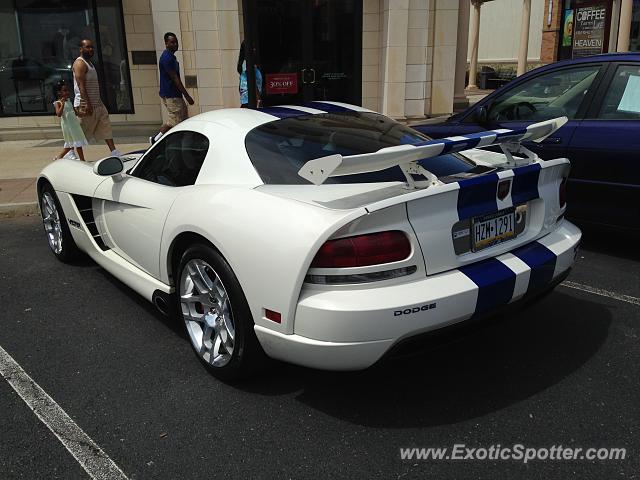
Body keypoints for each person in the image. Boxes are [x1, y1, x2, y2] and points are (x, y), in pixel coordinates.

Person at [72, 38, 120, 156]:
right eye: (87, 47)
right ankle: (70, 153)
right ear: (81, 49)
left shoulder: (90, 63)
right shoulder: (80, 63)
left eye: (92, 47)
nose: (91, 49)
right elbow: (81, 85)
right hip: (84, 104)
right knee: (80, 132)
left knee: (105, 126)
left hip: (97, 103)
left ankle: (114, 152)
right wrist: (87, 103)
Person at [149, 32, 194, 144]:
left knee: (183, 118)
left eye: (176, 42)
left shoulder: (171, 57)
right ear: (166, 43)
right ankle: (156, 139)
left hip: (174, 94)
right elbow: (174, 78)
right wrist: (187, 95)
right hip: (171, 94)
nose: (175, 44)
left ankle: (181, 140)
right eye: (172, 42)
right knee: (174, 121)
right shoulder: (167, 58)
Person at [53, 80, 87, 161]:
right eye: (64, 90)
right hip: (68, 126)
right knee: (75, 143)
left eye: (67, 90)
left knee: (71, 144)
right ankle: (82, 160)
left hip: (74, 125)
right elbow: (58, 114)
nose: (67, 92)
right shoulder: (57, 103)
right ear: (59, 93)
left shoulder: (69, 101)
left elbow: (75, 113)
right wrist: (62, 104)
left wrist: (81, 113)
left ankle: (59, 157)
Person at [237, 41, 263, 108]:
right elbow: (252, 80)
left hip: (250, 97)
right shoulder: (247, 63)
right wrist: (258, 98)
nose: (254, 50)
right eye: (252, 48)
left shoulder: (251, 63)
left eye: (254, 48)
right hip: (250, 97)